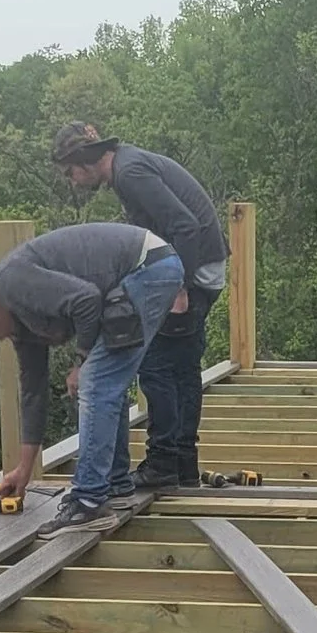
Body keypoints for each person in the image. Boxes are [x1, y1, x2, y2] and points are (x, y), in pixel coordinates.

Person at [0, 219, 188, 524]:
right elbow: (33, 394)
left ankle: (88, 500)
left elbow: (86, 300)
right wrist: (24, 470)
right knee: (104, 383)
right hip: (148, 269)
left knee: (95, 382)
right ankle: (115, 484)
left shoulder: (12, 283)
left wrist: (81, 361)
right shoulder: (22, 324)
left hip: (147, 268)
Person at [51, 123, 224, 490]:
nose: (73, 181)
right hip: (205, 265)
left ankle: (162, 463)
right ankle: (182, 466)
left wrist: (180, 287)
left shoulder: (129, 173)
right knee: (182, 366)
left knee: (155, 365)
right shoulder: (130, 166)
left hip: (193, 270)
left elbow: (185, 226)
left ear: (85, 160)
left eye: (71, 173)